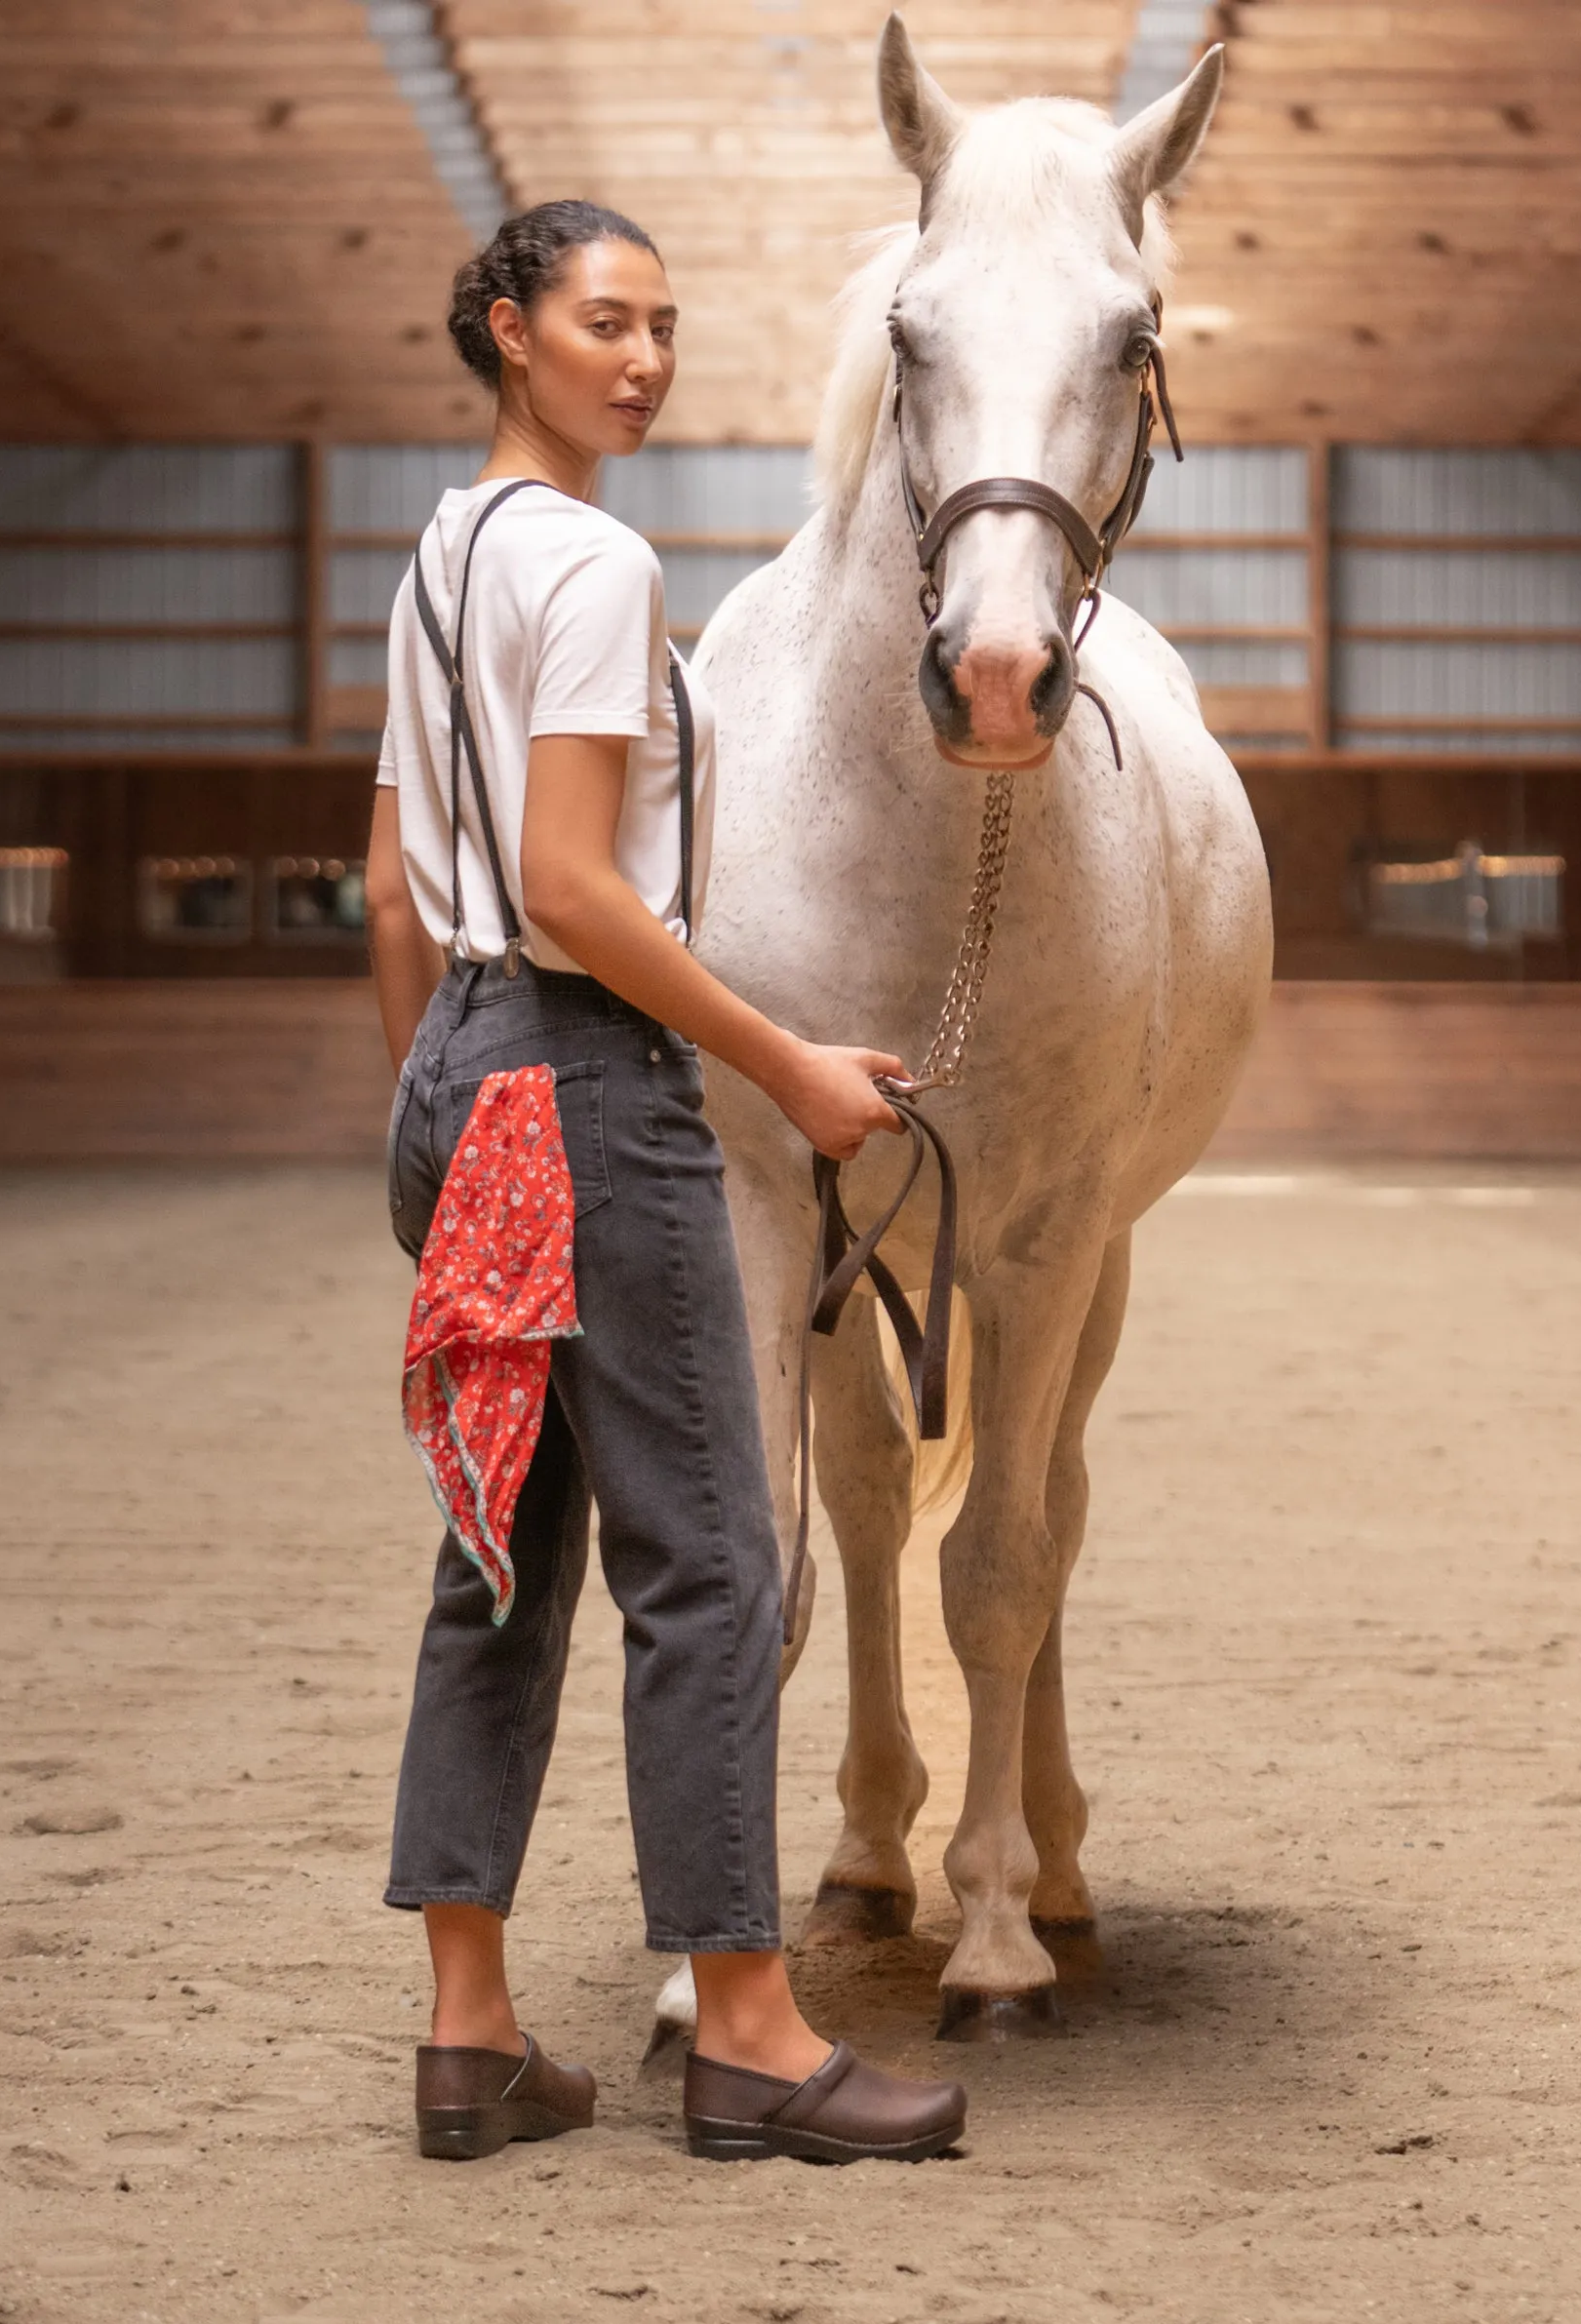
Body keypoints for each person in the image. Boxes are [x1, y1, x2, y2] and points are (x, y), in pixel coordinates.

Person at [365, 198, 968, 2167]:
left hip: (463, 1064)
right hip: (585, 1080)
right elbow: (568, 885)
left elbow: (395, 887)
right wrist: (786, 1063)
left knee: (503, 1557)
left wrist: (448, 1120)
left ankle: (471, 2036)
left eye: (665, 327)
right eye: (602, 323)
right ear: (506, 330)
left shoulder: (440, 560)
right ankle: (751, 2030)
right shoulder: (604, 567)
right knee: (709, 1560)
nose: (642, 358)